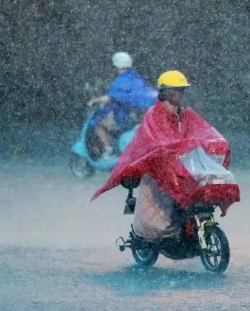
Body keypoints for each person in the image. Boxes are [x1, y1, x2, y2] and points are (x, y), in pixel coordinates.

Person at [91, 70, 240, 243]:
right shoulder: (153, 115)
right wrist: (172, 149)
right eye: (174, 90)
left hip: (182, 165)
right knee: (160, 219)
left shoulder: (186, 114)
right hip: (159, 169)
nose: (178, 94)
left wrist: (216, 142)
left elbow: (204, 131)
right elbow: (155, 142)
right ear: (163, 92)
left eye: (181, 90)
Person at [87, 52, 157, 159]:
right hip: (135, 115)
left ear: (118, 66)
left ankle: (108, 150)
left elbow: (110, 97)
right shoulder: (136, 78)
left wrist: (94, 100)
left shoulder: (121, 80)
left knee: (98, 124)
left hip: (124, 115)